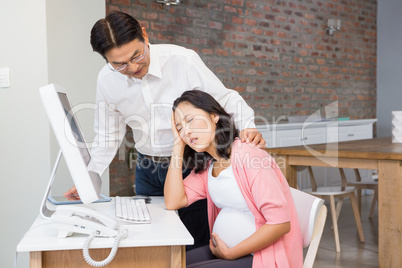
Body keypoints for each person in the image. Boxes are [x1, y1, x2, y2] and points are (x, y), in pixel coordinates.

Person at [65, 11, 265, 250]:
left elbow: (226, 99)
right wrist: (90, 176)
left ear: (145, 35)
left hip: (190, 164)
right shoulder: (107, 80)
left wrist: (248, 126)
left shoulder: (183, 60)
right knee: (154, 244)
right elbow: (108, 135)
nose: (132, 67)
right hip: (147, 169)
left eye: (136, 55)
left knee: (193, 244)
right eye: (119, 64)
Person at [165, 90, 303, 267]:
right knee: (169, 263)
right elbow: (173, 201)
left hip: (259, 256)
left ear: (214, 116)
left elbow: (280, 224)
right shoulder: (209, 166)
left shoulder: (248, 155)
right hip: (226, 252)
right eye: (179, 128)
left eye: (190, 120)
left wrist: (231, 253)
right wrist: (178, 145)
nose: (187, 131)